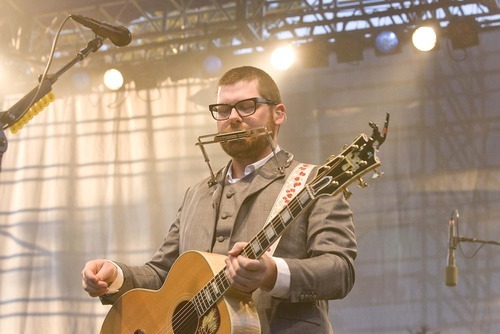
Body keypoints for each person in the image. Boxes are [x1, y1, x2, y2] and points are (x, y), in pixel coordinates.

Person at [82, 65, 357, 333]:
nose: (233, 117)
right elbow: (161, 274)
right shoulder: (196, 194)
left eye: (247, 106)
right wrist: (115, 275)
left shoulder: (314, 181)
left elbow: (339, 270)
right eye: (223, 110)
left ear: (279, 113)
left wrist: (272, 273)